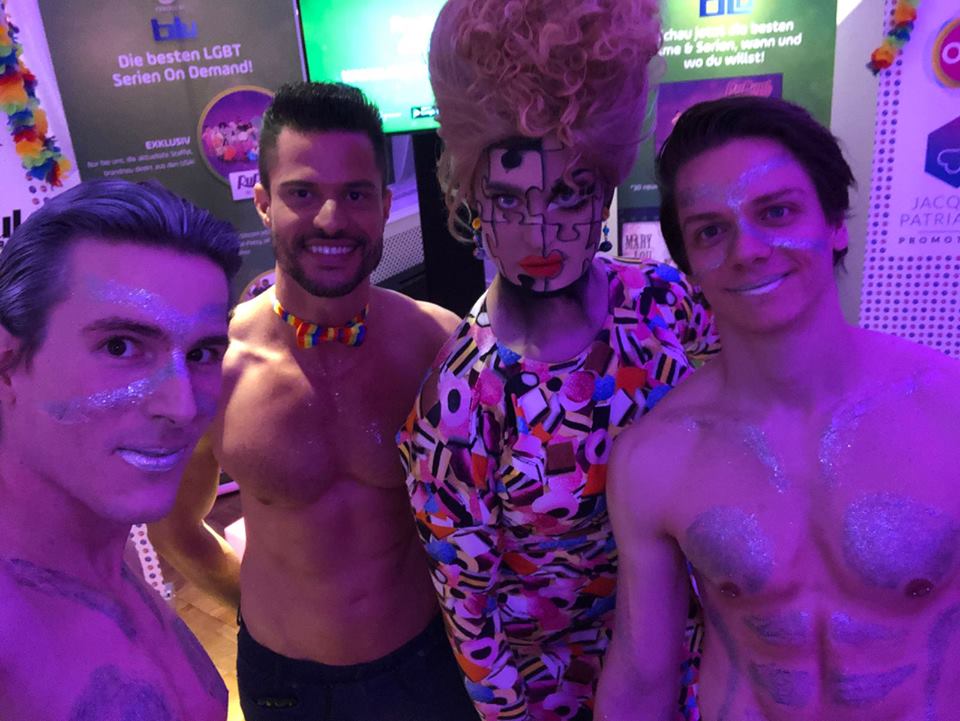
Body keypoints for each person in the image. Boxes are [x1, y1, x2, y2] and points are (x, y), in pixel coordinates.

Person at [397, 2, 718, 719]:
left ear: (604, 192)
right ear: (473, 199)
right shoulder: (460, 403)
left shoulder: (667, 304)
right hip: (560, 698)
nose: (540, 231)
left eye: (568, 195)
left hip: (694, 668)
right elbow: (472, 622)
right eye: (511, 200)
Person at [595, 95, 960, 721]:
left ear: (835, 223)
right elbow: (641, 673)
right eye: (711, 230)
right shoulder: (655, 456)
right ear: (690, 265)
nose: (749, 250)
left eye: (777, 211)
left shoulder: (947, 410)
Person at [149, 81, 474, 721]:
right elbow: (175, 528)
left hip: (425, 664)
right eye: (302, 193)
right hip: (285, 682)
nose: (330, 219)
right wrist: (256, 608)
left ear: (383, 206)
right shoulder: (218, 366)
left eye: (355, 194)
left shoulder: (438, 344)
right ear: (263, 203)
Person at [0, 179, 240, 720]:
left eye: (203, 353)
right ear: (8, 363)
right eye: (121, 346)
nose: (183, 407)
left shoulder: (106, 542)